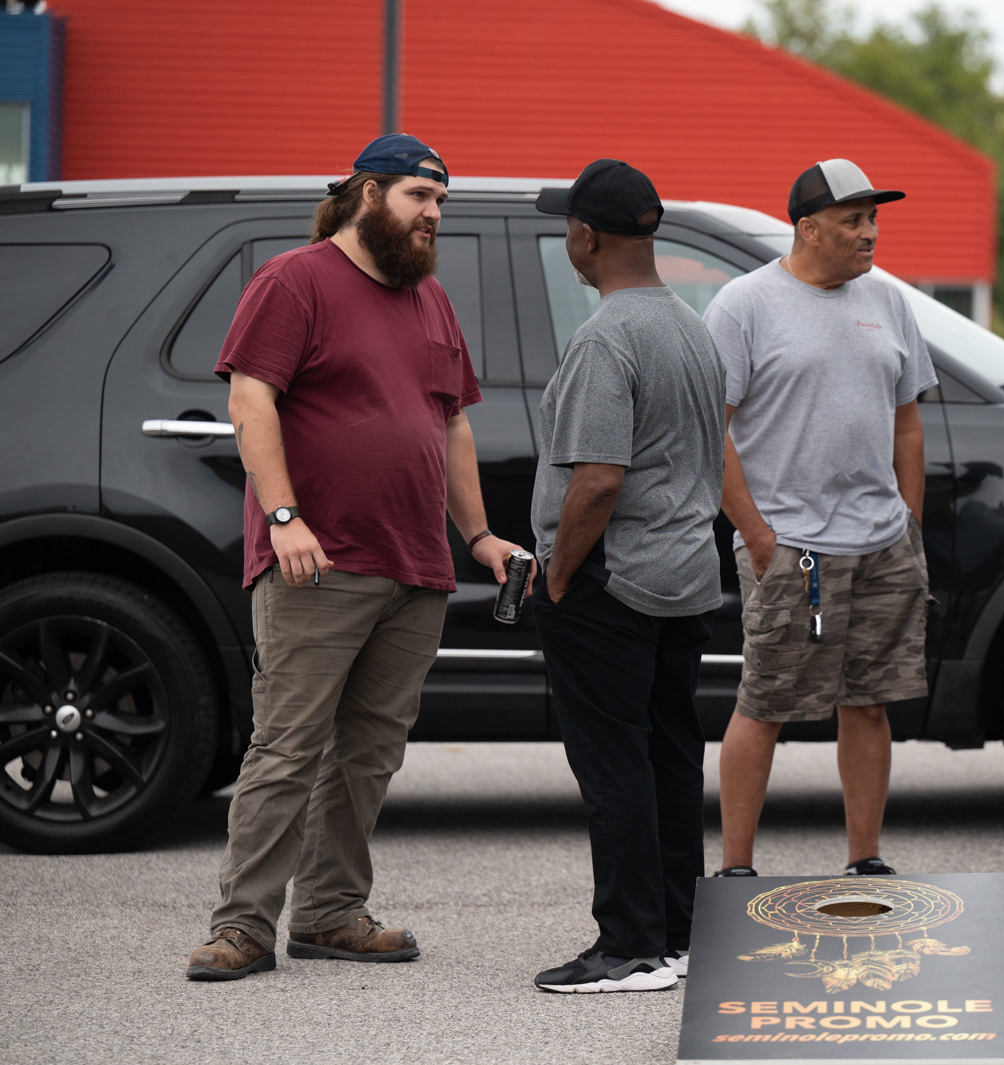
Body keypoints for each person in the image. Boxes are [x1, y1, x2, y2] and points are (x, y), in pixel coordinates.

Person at [186, 135, 530, 980]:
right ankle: (242, 925)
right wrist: (284, 516)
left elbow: (451, 422)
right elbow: (250, 397)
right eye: (420, 196)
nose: (434, 214)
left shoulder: (430, 300)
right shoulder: (295, 281)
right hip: (320, 559)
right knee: (288, 745)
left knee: (368, 752)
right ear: (369, 194)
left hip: (416, 564)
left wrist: (478, 534)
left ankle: (330, 912)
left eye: (441, 201)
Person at [703, 159, 937, 879]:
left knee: (869, 704)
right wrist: (757, 536)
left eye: (874, 219)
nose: (870, 233)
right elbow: (711, 431)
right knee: (765, 703)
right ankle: (736, 869)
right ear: (807, 229)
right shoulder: (744, 305)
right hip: (791, 546)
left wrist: (909, 523)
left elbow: (907, 423)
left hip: (882, 544)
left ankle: (865, 858)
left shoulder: (889, 300)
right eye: (852, 220)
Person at [528, 160, 726, 993]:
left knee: (613, 764)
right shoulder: (691, 325)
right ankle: (679, 934)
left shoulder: (606, 336)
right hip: (686, 575)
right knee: (672, 757)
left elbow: (599, 478)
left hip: (615, 582)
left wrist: (558, 576)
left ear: (586, 237)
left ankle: (629, 947)